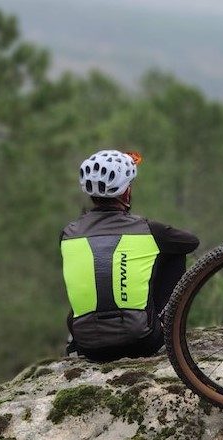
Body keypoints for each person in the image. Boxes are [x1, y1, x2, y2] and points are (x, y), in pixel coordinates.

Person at [60, 149, 199, 361]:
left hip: (89, 347)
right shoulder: (148, 229)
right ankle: (166, 323)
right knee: (173, 253)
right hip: (142, 342)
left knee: (89, 270)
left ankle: (75, 337)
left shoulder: (69, 234)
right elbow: (191, 242)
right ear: (126, 192)